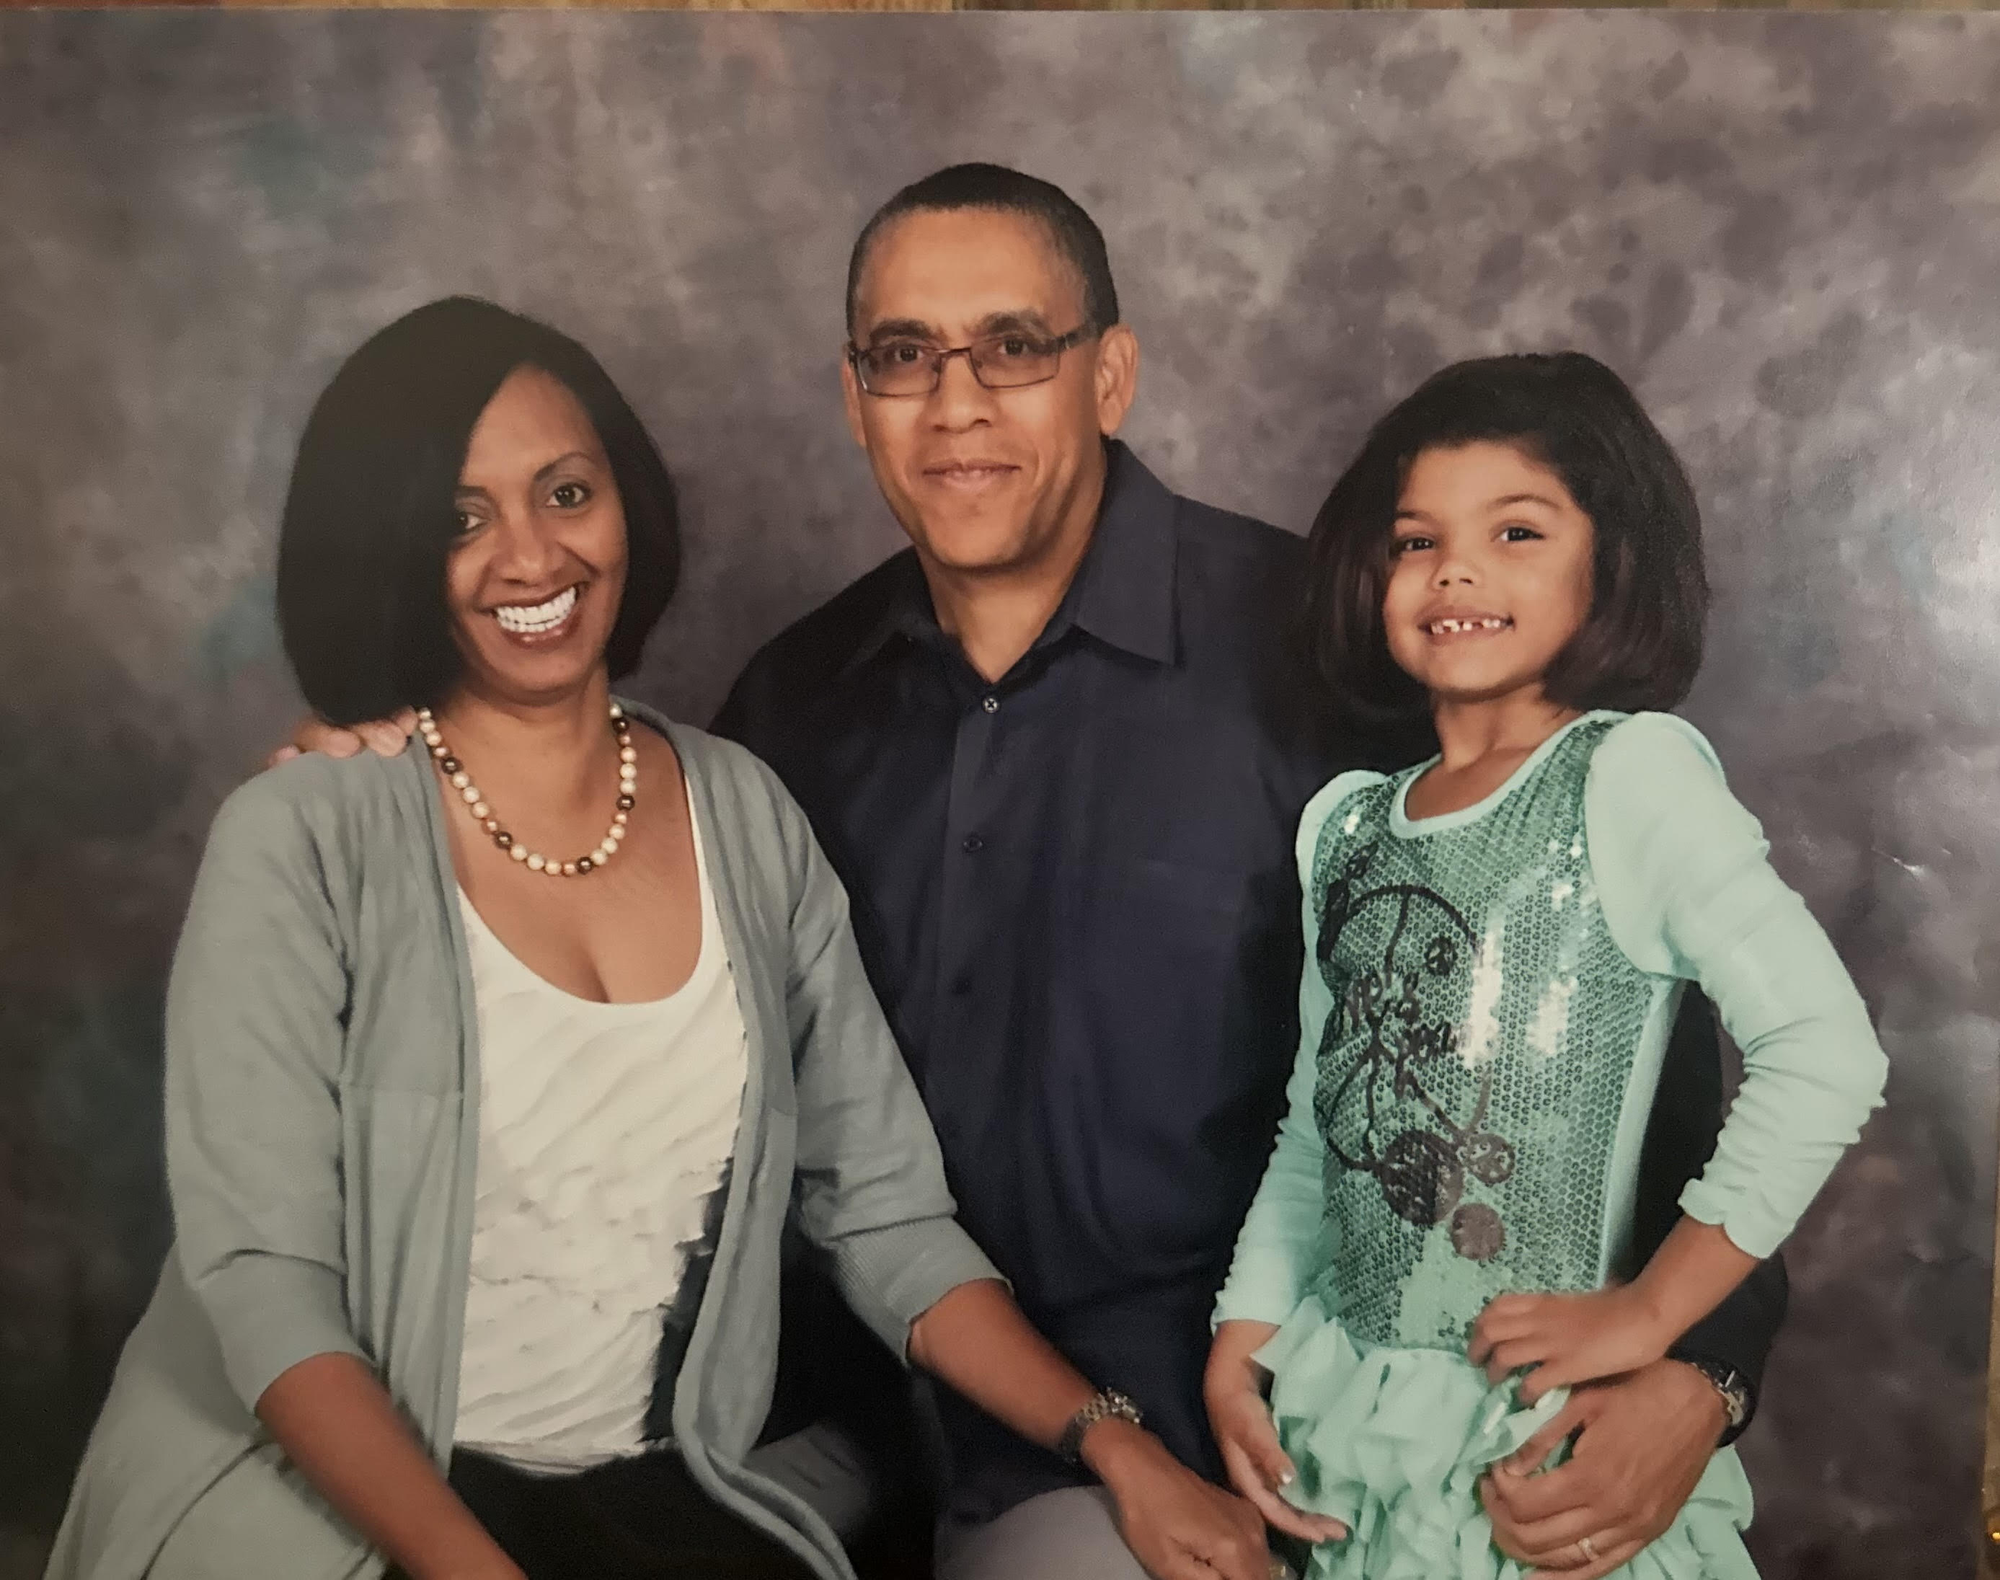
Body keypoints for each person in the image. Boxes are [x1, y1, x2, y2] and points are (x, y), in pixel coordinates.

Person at [288, 166, 1791, 1580]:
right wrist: (390, 771)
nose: (956, 406)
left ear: (1109, 375)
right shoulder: (789, 708)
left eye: (1012, 347)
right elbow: (597, 936)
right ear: (855, 397)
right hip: (828, 1415)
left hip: (1217, 1431)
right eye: (903, 356)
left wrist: (1702, 1366)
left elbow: (1609, 1035)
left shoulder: (1330, 656)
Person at [46, 297, 1271, 1580]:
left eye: (566, 492)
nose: (531, 555)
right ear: (385, 549)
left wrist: (1114, 1445)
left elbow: (886, 1216)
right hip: (344, 1509)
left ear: (625, 503)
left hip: (645, 1491)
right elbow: (267, 1282)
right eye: (459, 518)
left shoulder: (742, 808)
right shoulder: (303, 835)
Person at [1205, 352, 1888, 1579]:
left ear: (1607, 563)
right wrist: (1240, 1334)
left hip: (1539, 1436)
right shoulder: (1344, 825)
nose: (1454, 569)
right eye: (1417, 540)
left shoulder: (1626, 777)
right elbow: (1320, 1127)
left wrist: (1649, 1311)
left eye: (1514, 530)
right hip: (1353, 1427)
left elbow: (1823, 1052)